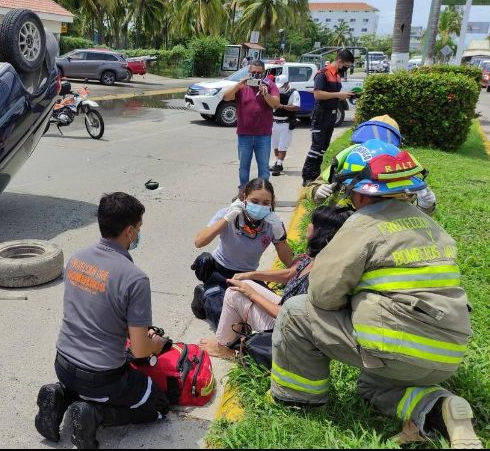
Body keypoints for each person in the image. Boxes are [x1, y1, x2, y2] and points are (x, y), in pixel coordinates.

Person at [270, 140, 480, 449]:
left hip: (396, 347)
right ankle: (439, 407)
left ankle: (299, 400)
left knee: (296, 312)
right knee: (371, 386)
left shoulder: (364, 223)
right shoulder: (430, 225)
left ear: (360, 190)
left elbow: (323, 294)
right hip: (446, 354)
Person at [35, 192, 170, 449]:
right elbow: (140, 351)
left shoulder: (77, 259)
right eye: (139, 228)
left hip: (63, 363)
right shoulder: (135, 279)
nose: (139, 234)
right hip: (102, 376)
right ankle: (95, 415)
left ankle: (60, 396)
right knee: (159, 405)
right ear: (130, 231)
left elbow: (95, 312)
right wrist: (157, 343)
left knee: (86, 385)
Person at [199, 205, 353, 358]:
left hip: (289, 329)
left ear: (324, 231)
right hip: (286, 310)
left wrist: (252, 294)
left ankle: (224, 349)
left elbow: (289, 316)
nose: (309, 225)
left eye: (314, 223)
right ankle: (233, 339)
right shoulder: (315, 257)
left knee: (235, 293)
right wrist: (251, 275)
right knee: (242, 286)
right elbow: (289, 273)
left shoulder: (321, 274)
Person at [191, 178, 293, 328]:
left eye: (266, 203)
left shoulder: (273, 224)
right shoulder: (229, 214)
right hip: (219, 272)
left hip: (247, 276)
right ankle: (203, 295)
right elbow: (199, 241)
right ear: (244, 197)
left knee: (272, 312)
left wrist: (281, 237)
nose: (260, 206)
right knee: (228, 323)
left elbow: (289, 261)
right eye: (255, 201)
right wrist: (226, 219)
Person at [306, 114, 437, 215]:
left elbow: (408, 216)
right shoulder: (350, 158)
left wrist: (426, 207)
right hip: (342, 218)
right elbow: (312, 187)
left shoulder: (399, 168)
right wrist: (317, 191)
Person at [221, 60, 281, 190]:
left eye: (259, 73)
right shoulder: (242, 87)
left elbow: (276, 104)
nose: (256, 75)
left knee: (264, 168)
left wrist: (265, 94)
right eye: (253, 72)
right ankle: (243, 194)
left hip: (263, 136)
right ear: (249, 72)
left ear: (264, 73)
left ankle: (262, 195)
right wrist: (239, 85)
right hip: (244, 135)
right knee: (243, 168)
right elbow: (226, 97)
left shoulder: (269, 85)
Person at [301, 49, 355, 186]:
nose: (346, 69)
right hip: (321, 114)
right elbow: (317, 94)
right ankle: (307, 177)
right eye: (346, 66)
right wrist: (338, 95)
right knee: (316, 147)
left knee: (323, 147)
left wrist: (347, 95)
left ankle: (315, 174)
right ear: (339, 61)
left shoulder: (337, 75)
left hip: (331, 115)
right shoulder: (323, 74)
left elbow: (335, 93)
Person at [270, 74, 301, 176]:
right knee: (275, 145)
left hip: (286, 123)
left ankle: (279, 164)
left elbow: (296, 107)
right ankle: (277, 162)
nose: (280, 89)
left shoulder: (294, 93)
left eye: (282, 86)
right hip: (274, 122)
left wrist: (282, 106)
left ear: (287, 84)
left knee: (282, 145)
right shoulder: (274, 90)